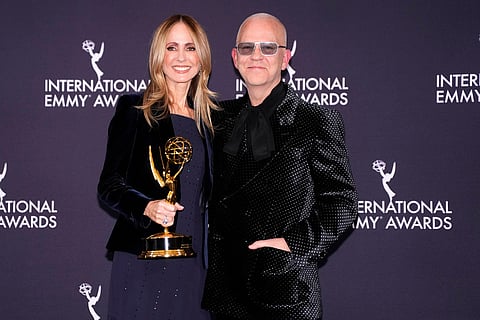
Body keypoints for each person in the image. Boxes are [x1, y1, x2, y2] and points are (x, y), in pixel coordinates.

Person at [202, 13, 358, 320]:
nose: (256, 55)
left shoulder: (315, 120)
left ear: (285, 58)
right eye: (247, 48)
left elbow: (341, 204)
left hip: (286, 294)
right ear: (235, 58)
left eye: (268, 48)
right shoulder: (216, 119)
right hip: (227, 297)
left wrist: (290, 245)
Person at [97, 14, 218, 320]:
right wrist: (146, 207)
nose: (181, 57)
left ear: (202, 58)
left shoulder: (212, 122)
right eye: (171, 47)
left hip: (196, 263)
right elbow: (109, 185)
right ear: (157, 56)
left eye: (190, 48)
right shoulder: (135, 110)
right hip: (144, 258)